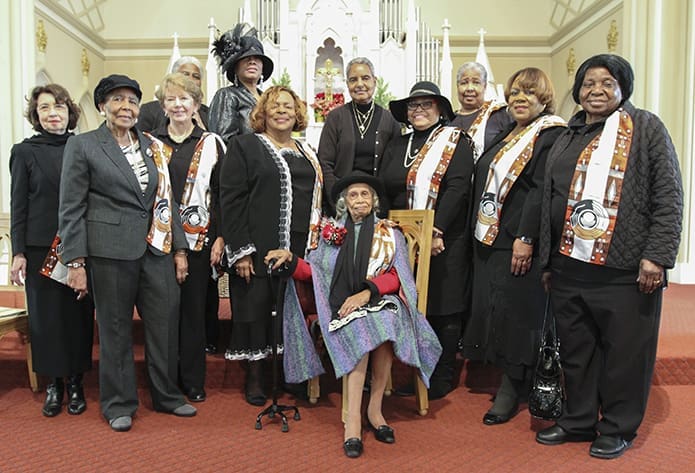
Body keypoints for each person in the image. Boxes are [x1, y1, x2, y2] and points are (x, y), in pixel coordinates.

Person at [536, 54, 683, 459]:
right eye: (588, 83)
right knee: (578, 350)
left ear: (623, 88)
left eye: (606, 83)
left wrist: (657, 256)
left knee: (625, 354)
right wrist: (549, 261)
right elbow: (550, 198)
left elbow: (668, 196)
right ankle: (579, 418)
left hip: (625, 270)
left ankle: (618, 426)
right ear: (578, 90)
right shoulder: (569, 133)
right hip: (569, 267)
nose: (596, 91)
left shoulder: (646, 128)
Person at [266, 172, 442, 458]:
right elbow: (317, 274)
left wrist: (367, 293)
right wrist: (292, 261)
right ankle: (354, 422)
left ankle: (374, 409)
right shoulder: (332, 234)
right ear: (344, 203)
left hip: (382, 300)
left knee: (384, 323)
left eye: (364, 194)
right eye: (352, 195)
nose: (359, 199)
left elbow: (399, 277)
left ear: (374, 200)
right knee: (363, 329)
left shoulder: (390, 233)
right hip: (342, 305)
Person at [58, 74, 197, 432]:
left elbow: (167, 200)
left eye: (132, 101)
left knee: (164, 326)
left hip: (156, 251)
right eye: (117, 100)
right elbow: (71, 207)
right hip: (109, 252)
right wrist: (75, 261)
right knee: (116, 329)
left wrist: (179, 249)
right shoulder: (85, 145)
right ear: (103, 106)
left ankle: (166, 395)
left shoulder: (152, 145)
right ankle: (118, 403)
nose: (126, 107)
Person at [463, 67, 566, 425]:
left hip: (520, 240)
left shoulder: (550, 134)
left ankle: (511, 386)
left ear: (544, 99)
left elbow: (541, 189)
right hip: (494, 235)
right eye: (515, 93)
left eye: (529, 93)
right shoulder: (510, 133)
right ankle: (509, 377)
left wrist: (526, 238)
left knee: (518, 315)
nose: (520, 99)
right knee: (499, 309)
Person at [219, 85, 322, 406]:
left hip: (298, 251)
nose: (281, 110)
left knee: (289, 314)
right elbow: (231, 198)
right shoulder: (245, 146)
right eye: (275, 105)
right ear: (262, 112)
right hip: (256, 247)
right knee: (255, 311)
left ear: (298, 113)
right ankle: (255, 377)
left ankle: (289, 374)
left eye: (288, 106)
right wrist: (241, 250)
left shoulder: (307, 151)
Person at [379, 81, 475, 399]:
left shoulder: (456, 141)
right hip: (403, 239)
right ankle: (417, 371)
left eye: (426, 104)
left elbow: (459, 188)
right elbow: (383, 188)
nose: (418, 110)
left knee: (442, 306)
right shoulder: (397, 144)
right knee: (412, 304)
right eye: (413, 105)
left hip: (443, 239)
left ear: (440, 110)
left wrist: (437, 229)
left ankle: (442, 375)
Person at [9, 84, 94, 417]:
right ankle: (54, 386)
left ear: (69, 111)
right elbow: (19, 205)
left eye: (58, 106)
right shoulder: (23, 151)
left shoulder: (84, 146)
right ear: (36, 114)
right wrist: (17, 253)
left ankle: (75, 383)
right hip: (39, 248)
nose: (52, 113)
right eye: (44, 108)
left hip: (78, 249)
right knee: (46, 321)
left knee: (77, 317)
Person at [151, 73, 226, 403]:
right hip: (157, 240)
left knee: (194, 313)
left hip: (198, 242)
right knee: (162, 314)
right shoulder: (149, 142)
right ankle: (164, 381)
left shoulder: (212, 143)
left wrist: (221, 238)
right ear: (163, 104)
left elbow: (223, 195)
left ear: (196, 104)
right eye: (171, 99)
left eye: (185, 98)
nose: (178, 104)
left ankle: (193, 380)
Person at [317, 57, 401, 215]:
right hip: (341, 203)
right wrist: (338, 199)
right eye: (353, 80)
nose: (360, 84)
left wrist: (378, 201)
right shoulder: (336, 117)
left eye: (365, 78)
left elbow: (394, 166)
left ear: (375, 81)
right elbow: (325, 162)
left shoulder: (389, 120)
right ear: (347, 84)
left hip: (377, 205)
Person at [209, 23, 274, 144]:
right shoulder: (227, 95)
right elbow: (224, 140)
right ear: (235, 66)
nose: (252, 61)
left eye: (257, 58)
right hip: (242, 161)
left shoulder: (268, 98)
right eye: (246, 58)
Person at [450, 61, 513, 158]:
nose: (470, 88)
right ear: (457, 86)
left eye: (476, 82)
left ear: (485, 86)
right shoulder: (449, 121)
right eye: (464, 83)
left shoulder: (499, 114)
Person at [138, 56, 210, 132]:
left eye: (196, 76)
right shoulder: (150, 110)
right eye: (185, 74)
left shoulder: (208, 113)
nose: (190, 79)